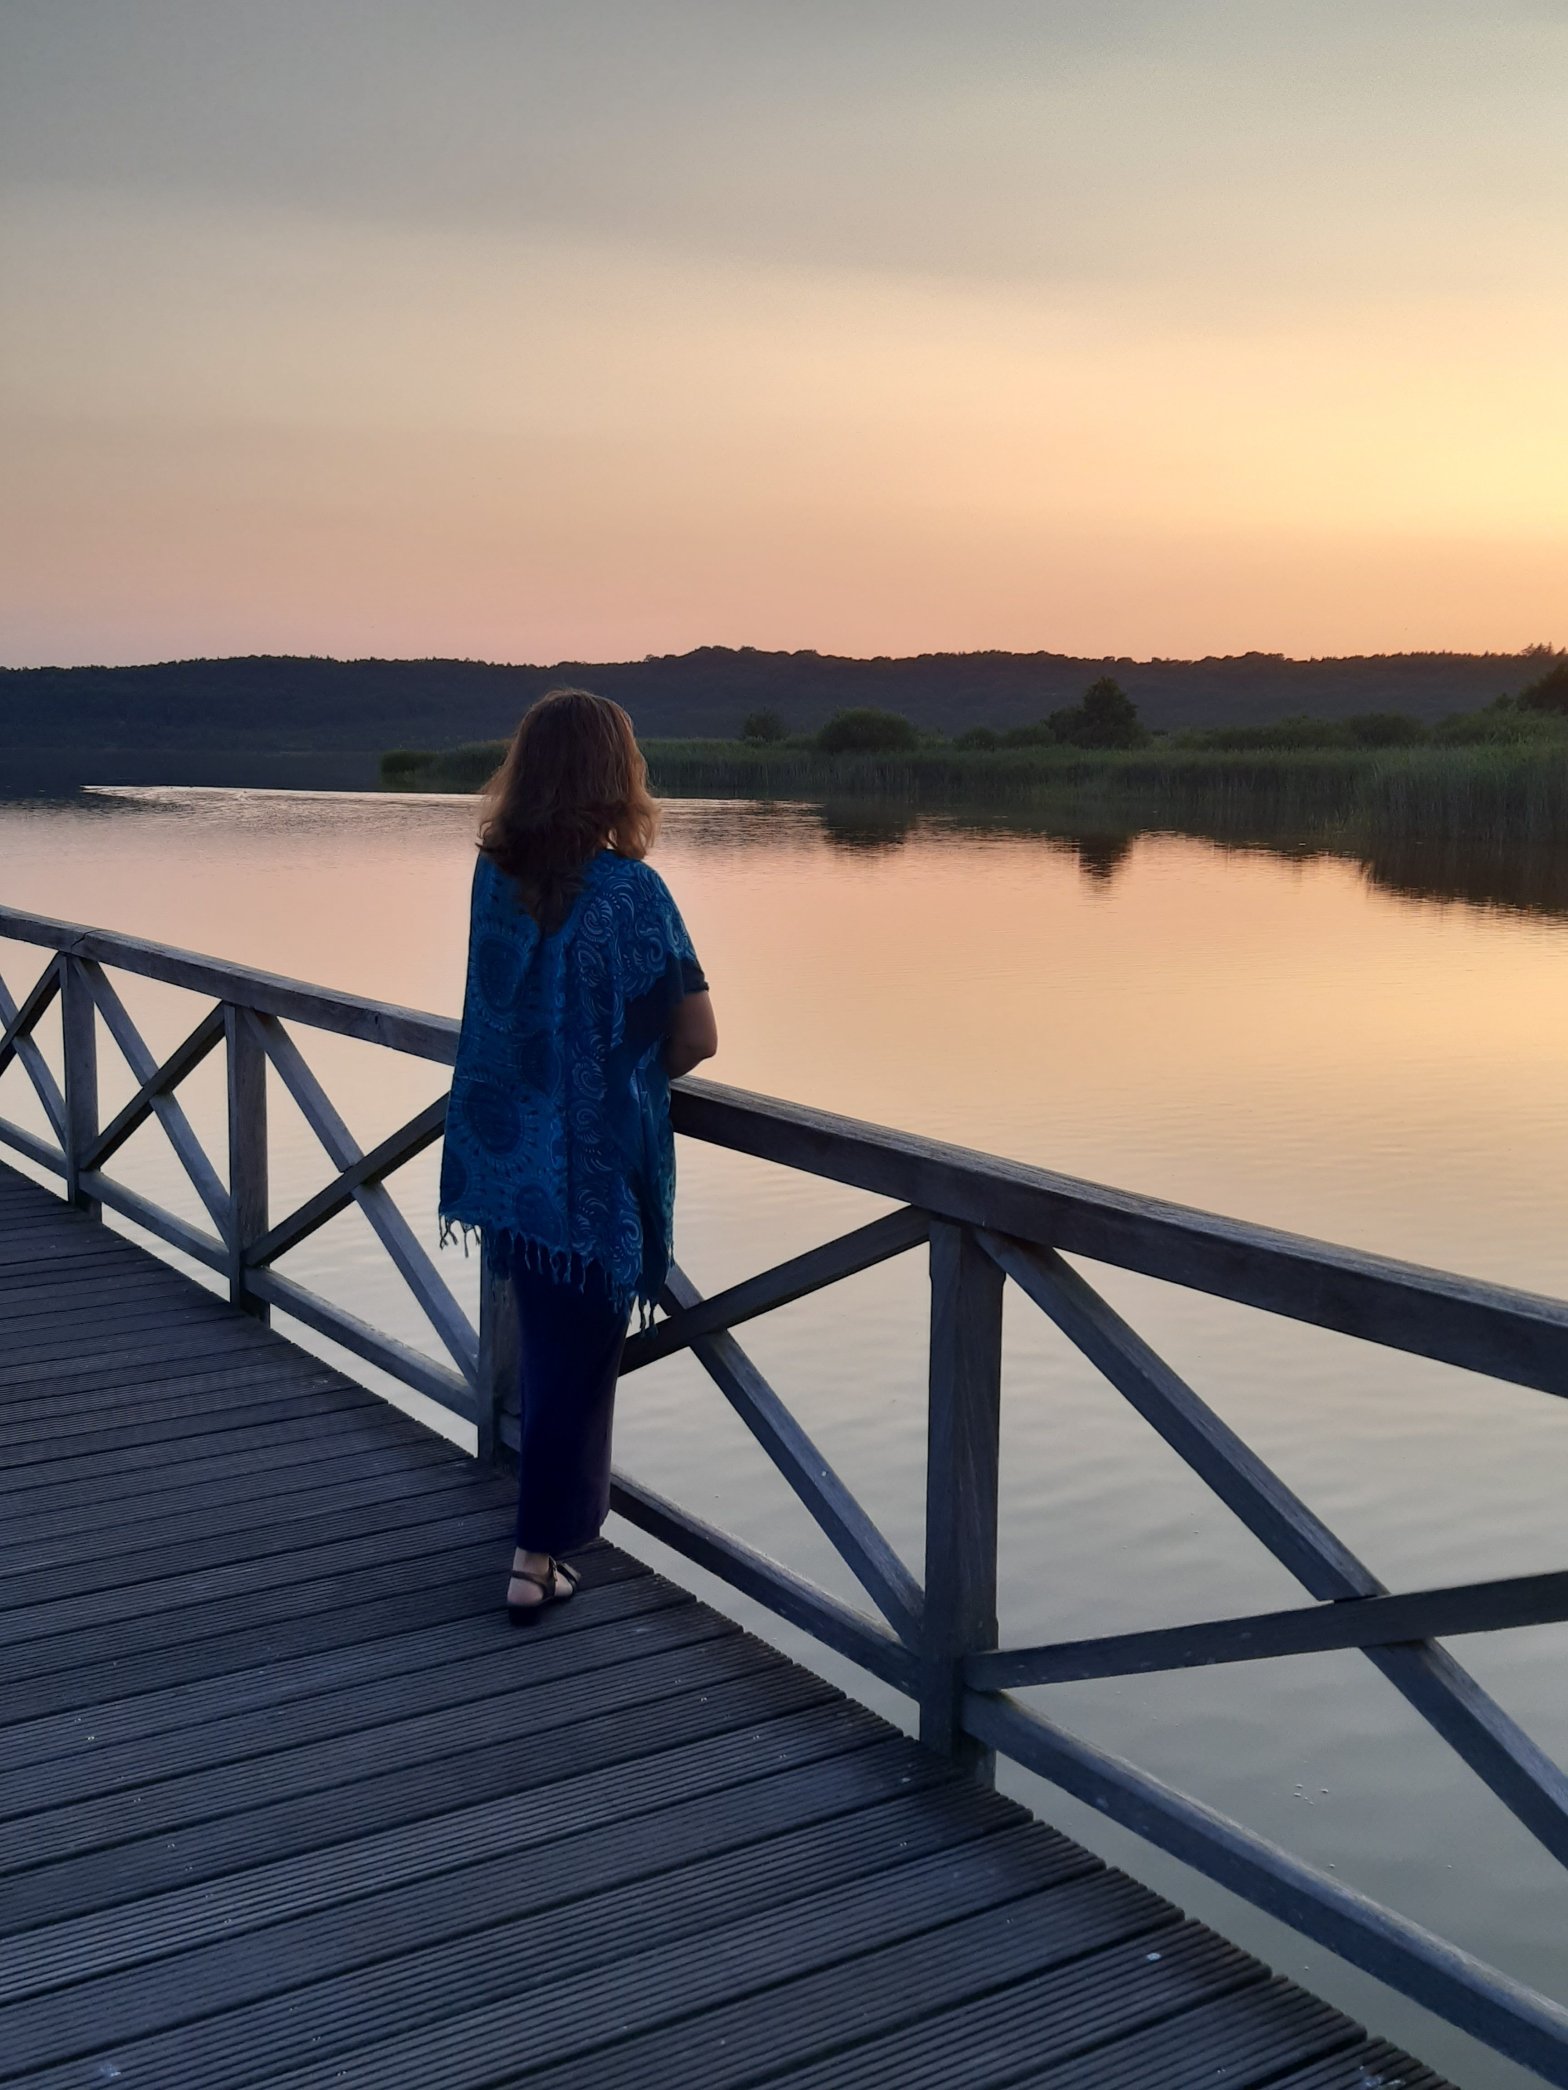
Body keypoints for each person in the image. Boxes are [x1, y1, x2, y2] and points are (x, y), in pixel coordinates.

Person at [439, 688, 717, 1620]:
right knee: (575, 1369)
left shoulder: (494, 880)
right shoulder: (633, 894)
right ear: (615, 775)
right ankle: (536, 1556)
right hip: (592, 1175)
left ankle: (542, 1539)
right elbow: (696, 1037)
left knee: (553, 1354)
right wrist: (622, 1070)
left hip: (508, 1164)